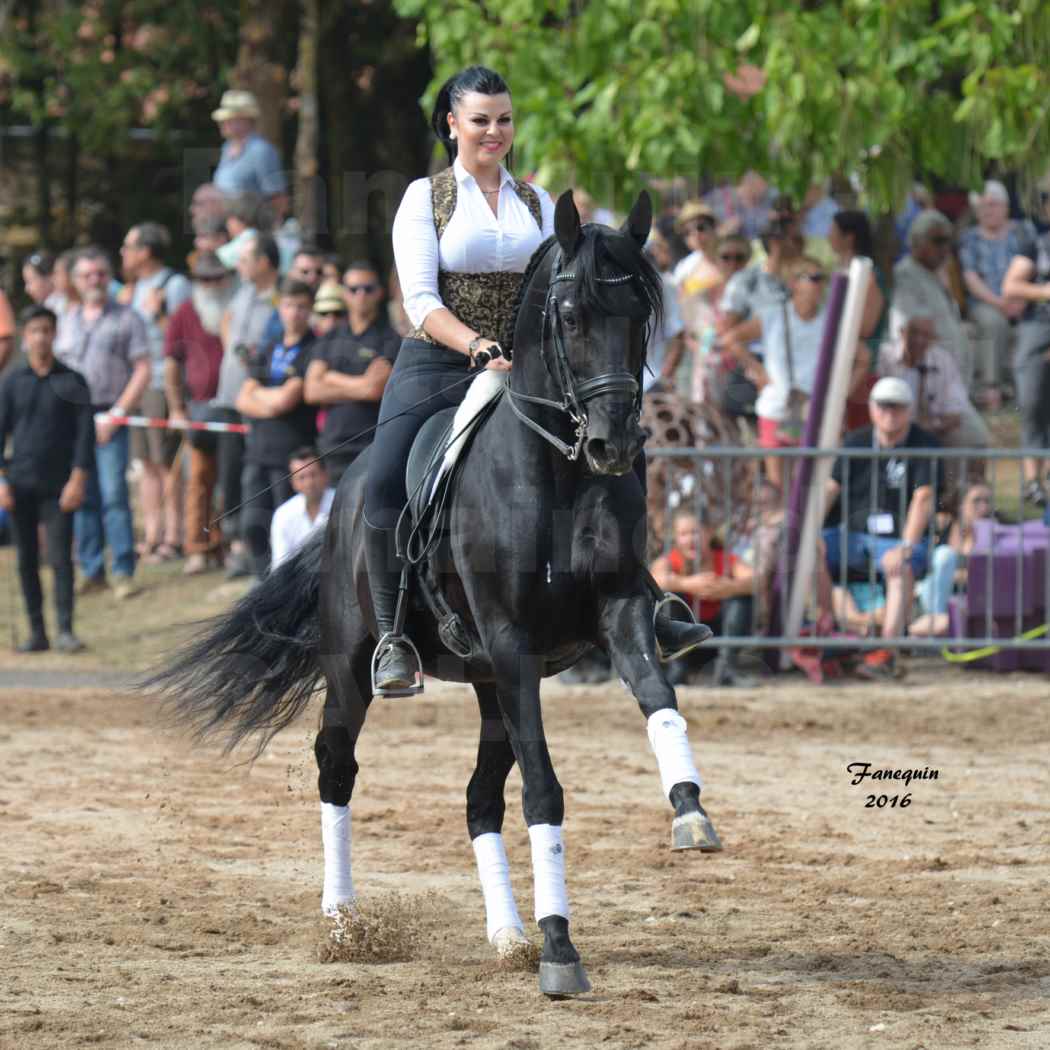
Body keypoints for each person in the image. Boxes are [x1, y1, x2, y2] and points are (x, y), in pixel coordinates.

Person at [365, 65, 557, 694]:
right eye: (481, 120)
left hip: (525, 368)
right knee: (385, 477)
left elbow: (557, 289)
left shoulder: (538, 202)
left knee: (612, 445)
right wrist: (476, 343)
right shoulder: (425, 197)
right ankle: (393, 635)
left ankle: (644, 596)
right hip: (439, 362)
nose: (494, 132)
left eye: (504, 119)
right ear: (453, 125)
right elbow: (420, 301)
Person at [822, 377, 940, 680]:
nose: (889, 413)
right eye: (883, 406)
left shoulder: (924, 444)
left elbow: (923, 497)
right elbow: (830, 488)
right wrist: (805, 531)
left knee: (898, 566)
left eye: (897, 407)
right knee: (808, 552)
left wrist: (906, 545)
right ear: (872, 409)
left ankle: (885, 650)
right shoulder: (856, 441)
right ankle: (830, 631)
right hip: (854, 535)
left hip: (898, 538)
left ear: (909, 410)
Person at [0, 306, 94, 651]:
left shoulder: (73, 381)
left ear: (55, 334)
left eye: (46, 330)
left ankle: (65, 630)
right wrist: (1, 482)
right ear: (25, 337)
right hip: (20, 484)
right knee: (26, 560)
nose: (41, 336)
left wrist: (78, 478)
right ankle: (37, 632)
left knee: (59, 559)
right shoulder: (11, 383)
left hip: (59, 486)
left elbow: (85, 435)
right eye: (34, 330)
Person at [59, 247, 150, 600]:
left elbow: (142, 369)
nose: (94, 280)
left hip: (112, 413)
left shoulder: (128, 317)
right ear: (76, 281)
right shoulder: (66, 319)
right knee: (83, 493)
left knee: (114, 494)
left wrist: (117, 414)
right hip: (76, 418)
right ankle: (91, 568)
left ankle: (123, 569)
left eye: (100, 273)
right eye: (87, 275)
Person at [742, 257, 869, 493]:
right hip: (776, 406)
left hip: (815, 409)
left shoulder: (832, 321)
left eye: (822, 279)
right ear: (794, 283)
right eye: (813, 278)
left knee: (809, 486)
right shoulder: (772, 315)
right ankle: (781, 529)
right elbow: (732, 339)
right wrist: (759, 372)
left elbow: (863, 359)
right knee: (777, 485)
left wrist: (841, 396)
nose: (819, 285)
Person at [235, 278, 317, 578]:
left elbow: (287, 400)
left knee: (288, 530)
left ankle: (287, 587)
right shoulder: (268, 348)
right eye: (288, 305)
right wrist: (269, 401)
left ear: (309, 310)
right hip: (258, 453)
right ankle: (262, 585)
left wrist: (263, 397)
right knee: (252, 526)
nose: (293, 312)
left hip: (292, 454)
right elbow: (242, 398)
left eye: (300, 306)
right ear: (279, 308)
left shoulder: (314, 348)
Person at [121, 222, 193, 564]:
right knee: (145, 462)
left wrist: (159, 314)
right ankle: (151, 534)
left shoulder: (173, 285)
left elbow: (184, 338)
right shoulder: (132, 289)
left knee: (167, 463)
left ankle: (173, 535)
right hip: (138, 384)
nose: (124, 253)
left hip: (163, 383)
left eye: (129, 246)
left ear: (146, 251)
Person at [164, 252, 237, 574]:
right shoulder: (183, 313)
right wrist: (177, 407)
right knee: (198, 480)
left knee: (231, 480)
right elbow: (171, 363)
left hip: (234, 408)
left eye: (217, 278)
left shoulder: (237, 309)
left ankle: (228, 544)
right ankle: (197, 546)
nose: (211, 284)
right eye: (205, 279)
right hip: (199, 408)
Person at [215, 232, 282, 576]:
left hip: (260, 404)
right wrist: (235, 349)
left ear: (264, 262)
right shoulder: (242, 293)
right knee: (230, 476)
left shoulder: (280, 300)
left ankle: (260, 551)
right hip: (230, 399)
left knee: (257, 479)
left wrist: (253, 360)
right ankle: (237, 545)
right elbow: (227, 323)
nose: (238, 266)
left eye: (244, 259)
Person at [304, 262, 399, 484]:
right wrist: (360, 383)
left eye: (368, 289)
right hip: (330, 448)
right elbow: (311, 390)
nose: (361, 295)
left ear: (380, 293)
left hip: (370, 447)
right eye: (354, 289)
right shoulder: (330, 337)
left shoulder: (390, 339)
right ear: (344, 293)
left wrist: (330, 377)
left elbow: (374, 390)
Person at [879, 311, 989, 489]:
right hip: (892, 425)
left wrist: (932, 426)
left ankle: (956, 501)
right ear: (902, 332)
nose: (920, 340)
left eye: (926, 335)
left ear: (934, 339)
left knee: (973, 438)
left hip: (932, 428)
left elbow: (955, 410)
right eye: (915, 333)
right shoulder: (886, 357)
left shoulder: (942, 359)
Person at [650, 509, 756, 687]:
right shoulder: (670, 560)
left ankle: (726, 669)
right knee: (669, 596)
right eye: (684, 534)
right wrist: (686, 584)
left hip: (717, 641)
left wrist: (730, 587)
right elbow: (654, 579)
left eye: (696, 532)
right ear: (675, 537)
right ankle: (678, 669)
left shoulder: (724, 558)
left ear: (708, 533)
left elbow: (755, 579)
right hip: (685, 645)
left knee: (742, 598)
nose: (691, 539)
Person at [959, 180, 1028, 408]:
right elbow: (971, 279)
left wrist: (1022, 299)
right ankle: (992, 388)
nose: (988, 210)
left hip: (1024, 298)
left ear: (1006, 207)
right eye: (982, 206)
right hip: (985, 302)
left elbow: (1035, 266)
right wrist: (1000, 303)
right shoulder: (970, 238)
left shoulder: (1022, 231)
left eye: (993, 204)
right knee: (994, 323)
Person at [1001, 200, 1050, 506]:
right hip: (1039, 326)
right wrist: (1045, 291)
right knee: (1031, 402)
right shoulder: (1038, 243)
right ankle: (1033, 480)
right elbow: (1011, 286)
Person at [892, 210, 973, 390]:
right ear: (917, 242)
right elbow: (910, 337)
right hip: (932, 389)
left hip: (953, 387)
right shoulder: (906, 275)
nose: (945, 249)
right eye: (938, 241)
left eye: (948, 242)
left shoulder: (934, 274)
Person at [909, 482, 993, 637]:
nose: (984, 508)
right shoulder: (941, 525)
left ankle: (931, 629)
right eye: (976, 501)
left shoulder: (994, 532)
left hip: (969, 600)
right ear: (960, 505)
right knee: (944, 555)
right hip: (931, 597)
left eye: (988, 501)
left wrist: (954, 576)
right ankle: (935, 625)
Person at [211, 90, 287, 200]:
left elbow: (277, 198)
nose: (223, 123)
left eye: (229, 119)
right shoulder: (227, 148)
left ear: (246, 120)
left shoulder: (261, 150)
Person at [269, 447, 335, 568]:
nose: (309, 483)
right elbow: (279, 566)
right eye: (302, 477)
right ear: (293, 483)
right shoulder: (283, 515)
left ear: (325, 475)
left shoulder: (341, 505)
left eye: (313, 475)